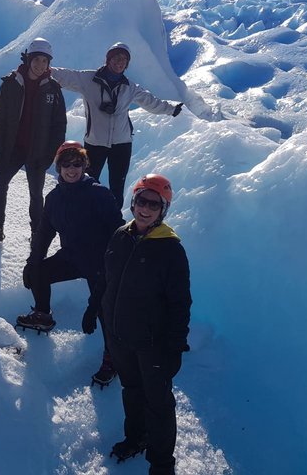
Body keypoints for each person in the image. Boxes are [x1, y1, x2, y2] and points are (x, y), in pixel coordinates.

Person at [101, 174, 191, 475]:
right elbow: (111, 280)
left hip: (153, 344)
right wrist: (97, 309)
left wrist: (175, 347)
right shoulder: (120, 235)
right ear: (133, 201)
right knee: (131, 389)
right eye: (142, 200)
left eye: (155, 204)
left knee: (159, 403)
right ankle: (136, 438)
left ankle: (162, 464)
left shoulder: (170, 250)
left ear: (163, 210)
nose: (146, 208)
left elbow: (180, 304)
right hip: (120, 336)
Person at [16, 141, 125, 385]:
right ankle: (43, 314)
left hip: (101, 264)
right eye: (66, 164)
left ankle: (113, 358)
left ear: (85, 165)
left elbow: (118, 232)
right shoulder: (54, 198)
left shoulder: (99, 194)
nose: (72, 169)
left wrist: (113, 269)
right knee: (39, 272)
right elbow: (44, 233)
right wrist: (33, 262)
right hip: (72, 258)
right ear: (59, 168)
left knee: (104, 312)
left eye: (77, 163)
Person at [52, 43, 183, 208]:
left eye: (124, 60)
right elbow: (65, 76)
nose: (120, 62)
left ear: (127, 64)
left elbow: (151, 102)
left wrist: (171, 109)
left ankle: (113, 224)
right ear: (108, 60)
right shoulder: (88, 79)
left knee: (117, 188)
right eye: (116, 58)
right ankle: (84, 217)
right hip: (95, 142)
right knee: (86, 182)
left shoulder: (130, 87)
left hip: (122, 144)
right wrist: (42, 68)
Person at [0, 38, 67, 248]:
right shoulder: (11, 83)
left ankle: (37, 233)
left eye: (45, 61)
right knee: (0, 185)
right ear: (28, 59)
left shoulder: (53, 89)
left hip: (38, 151)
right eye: (36, 59)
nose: (40, 65)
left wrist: (52, 154)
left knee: (36, 194)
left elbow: (59, 125)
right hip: (13, 148)